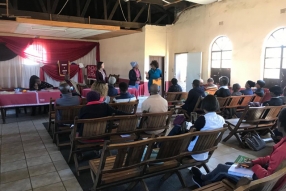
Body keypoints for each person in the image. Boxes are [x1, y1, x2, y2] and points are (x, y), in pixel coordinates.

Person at [191, 108, 286, 191]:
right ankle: (210, 179)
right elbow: (271, 158)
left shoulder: (282, 150)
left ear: (280, 123)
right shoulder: (283, 144)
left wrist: (254, 166)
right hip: (265, 177)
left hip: (258, 183)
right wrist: (253, 162)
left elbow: (267, 177)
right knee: (230, 164)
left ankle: (203, 181)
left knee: (222, 168)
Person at [169, 96, 225, 160]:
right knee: (178, 128)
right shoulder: (222, 119)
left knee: (177, 128)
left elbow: (191, 136)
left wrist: (190, 128)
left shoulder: (203, 119)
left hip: (194, 149)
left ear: (204, 105)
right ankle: (161, 146)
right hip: (208, 148)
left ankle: (162, 148)